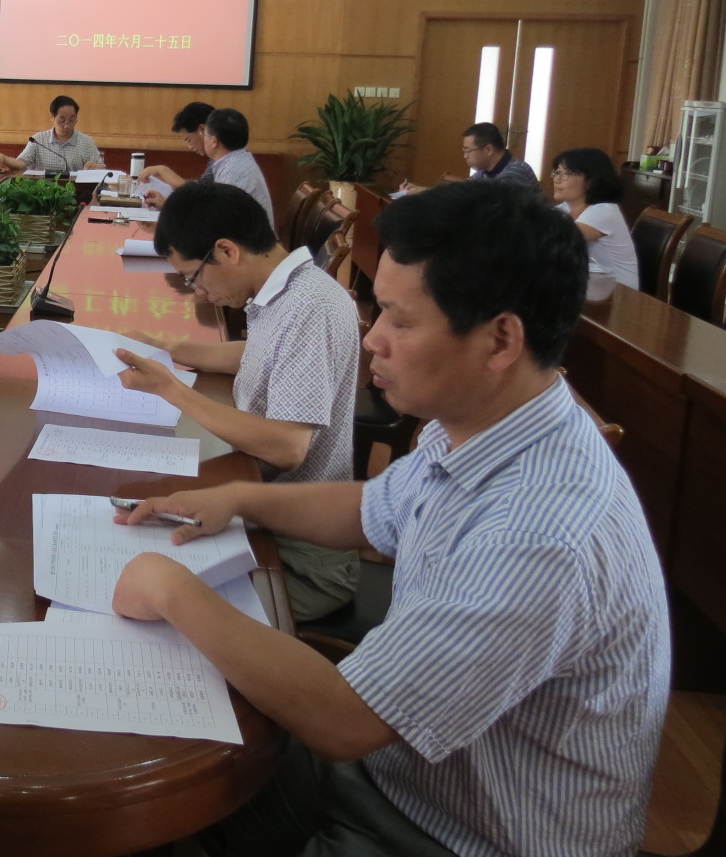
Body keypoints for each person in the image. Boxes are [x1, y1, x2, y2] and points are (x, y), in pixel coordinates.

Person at [112, 180, 668, 857]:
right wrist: (240, 499)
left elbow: (346, 722)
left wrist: (172, 590)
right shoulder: (478, 423)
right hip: (400, 780)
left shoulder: (539, 534)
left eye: (400, 322)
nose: (371, 338)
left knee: (156, 813)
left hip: (453, 834)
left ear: (500, 339)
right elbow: (371, 506)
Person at [113, 181, 360, 620]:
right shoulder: (285, 290)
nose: (199, 293)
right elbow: (259, 353)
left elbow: (287, 446)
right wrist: (167, 349)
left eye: (194, 277)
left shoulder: (310, 307)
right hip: (259, 511)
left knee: (143, 594)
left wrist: (172, 389)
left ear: (226, 251)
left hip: (299, 555)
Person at [551, 146, 639, 290]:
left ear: (591, 181)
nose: (557, 179)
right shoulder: (566, 207)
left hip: (619, 292)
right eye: (557, 172)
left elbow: (557, 241)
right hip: (593, 283)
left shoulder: (604, 211)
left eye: (567, 173)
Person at [402, 122, 539, 194]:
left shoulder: (514, 173)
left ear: (488, 150)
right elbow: (465, 188)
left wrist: (424, 192)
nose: (465, 156)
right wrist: (420, 190)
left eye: (468, 150)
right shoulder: (486, 170)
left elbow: (477, 198)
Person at [0, 95, 105, 175]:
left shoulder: (86, 142)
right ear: (52, 117)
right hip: (43, 194)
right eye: (62, 120)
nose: (67, 125)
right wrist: (3, 158)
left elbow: (102, 169)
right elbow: (21, 163)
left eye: (72, 119)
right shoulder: (38, 140)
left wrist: (97, 167)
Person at [194, 107, 273, 223]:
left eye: (204, 133)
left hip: (246, 234)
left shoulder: (233, 174)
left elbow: (221, 221)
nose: (203, 138)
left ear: (214, 141)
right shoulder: (237, 159)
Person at [139, 101, 216, 191]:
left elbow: (198, 191)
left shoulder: (223, 159)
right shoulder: (214, 159)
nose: (190, 147)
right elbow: (202, 185)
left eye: (189, 140)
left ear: (202, 129)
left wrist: (162, 170)